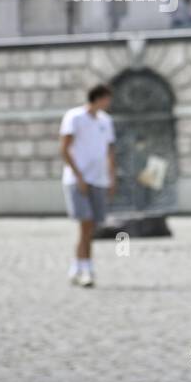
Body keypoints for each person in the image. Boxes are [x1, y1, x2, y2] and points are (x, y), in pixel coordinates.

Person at [59, 84, 116, 287]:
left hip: (99, 179)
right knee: (85, 224)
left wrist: (111, 177)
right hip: (78, 180)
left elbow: (109, 151)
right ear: (98, 98)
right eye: (107, 99)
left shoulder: (106, 121)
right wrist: (79, 177)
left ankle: (76, 266)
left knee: (89, 227)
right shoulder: (74, 117)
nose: (109, 103)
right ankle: (87, 269)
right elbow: (64, 149)